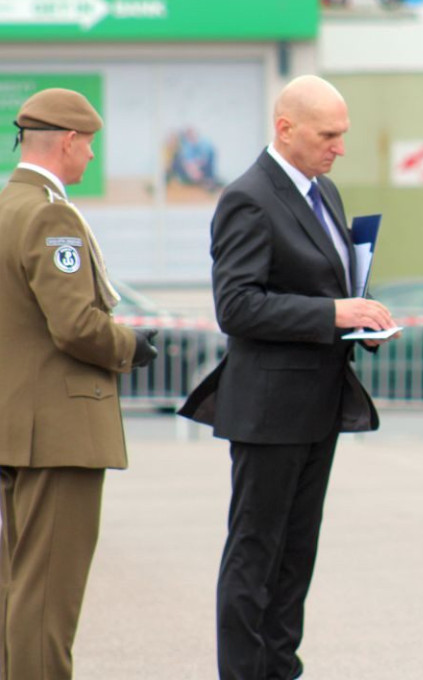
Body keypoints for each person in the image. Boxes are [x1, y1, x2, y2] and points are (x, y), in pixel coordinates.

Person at [178, 75, 396, 680]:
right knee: (255, 555)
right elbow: (238, 306)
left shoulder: (324, 191)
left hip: (317, 403)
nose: (339, 147)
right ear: (286, 128)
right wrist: (333, 314)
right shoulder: (248, 196)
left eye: (342, 134)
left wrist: (363, 315)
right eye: (328, 135)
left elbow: (335, 285)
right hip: (270, 408)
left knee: (296, 557)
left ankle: (280, 670)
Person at [0, 88, 158, 680]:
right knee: (46, 603)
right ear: (68, 141)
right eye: (88, 144)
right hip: (58, 433)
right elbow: (75, 326)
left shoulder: (6, 206)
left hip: (17, 427)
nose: (91, 156)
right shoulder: (50, 214)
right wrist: (132, 346)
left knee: (18, 591)